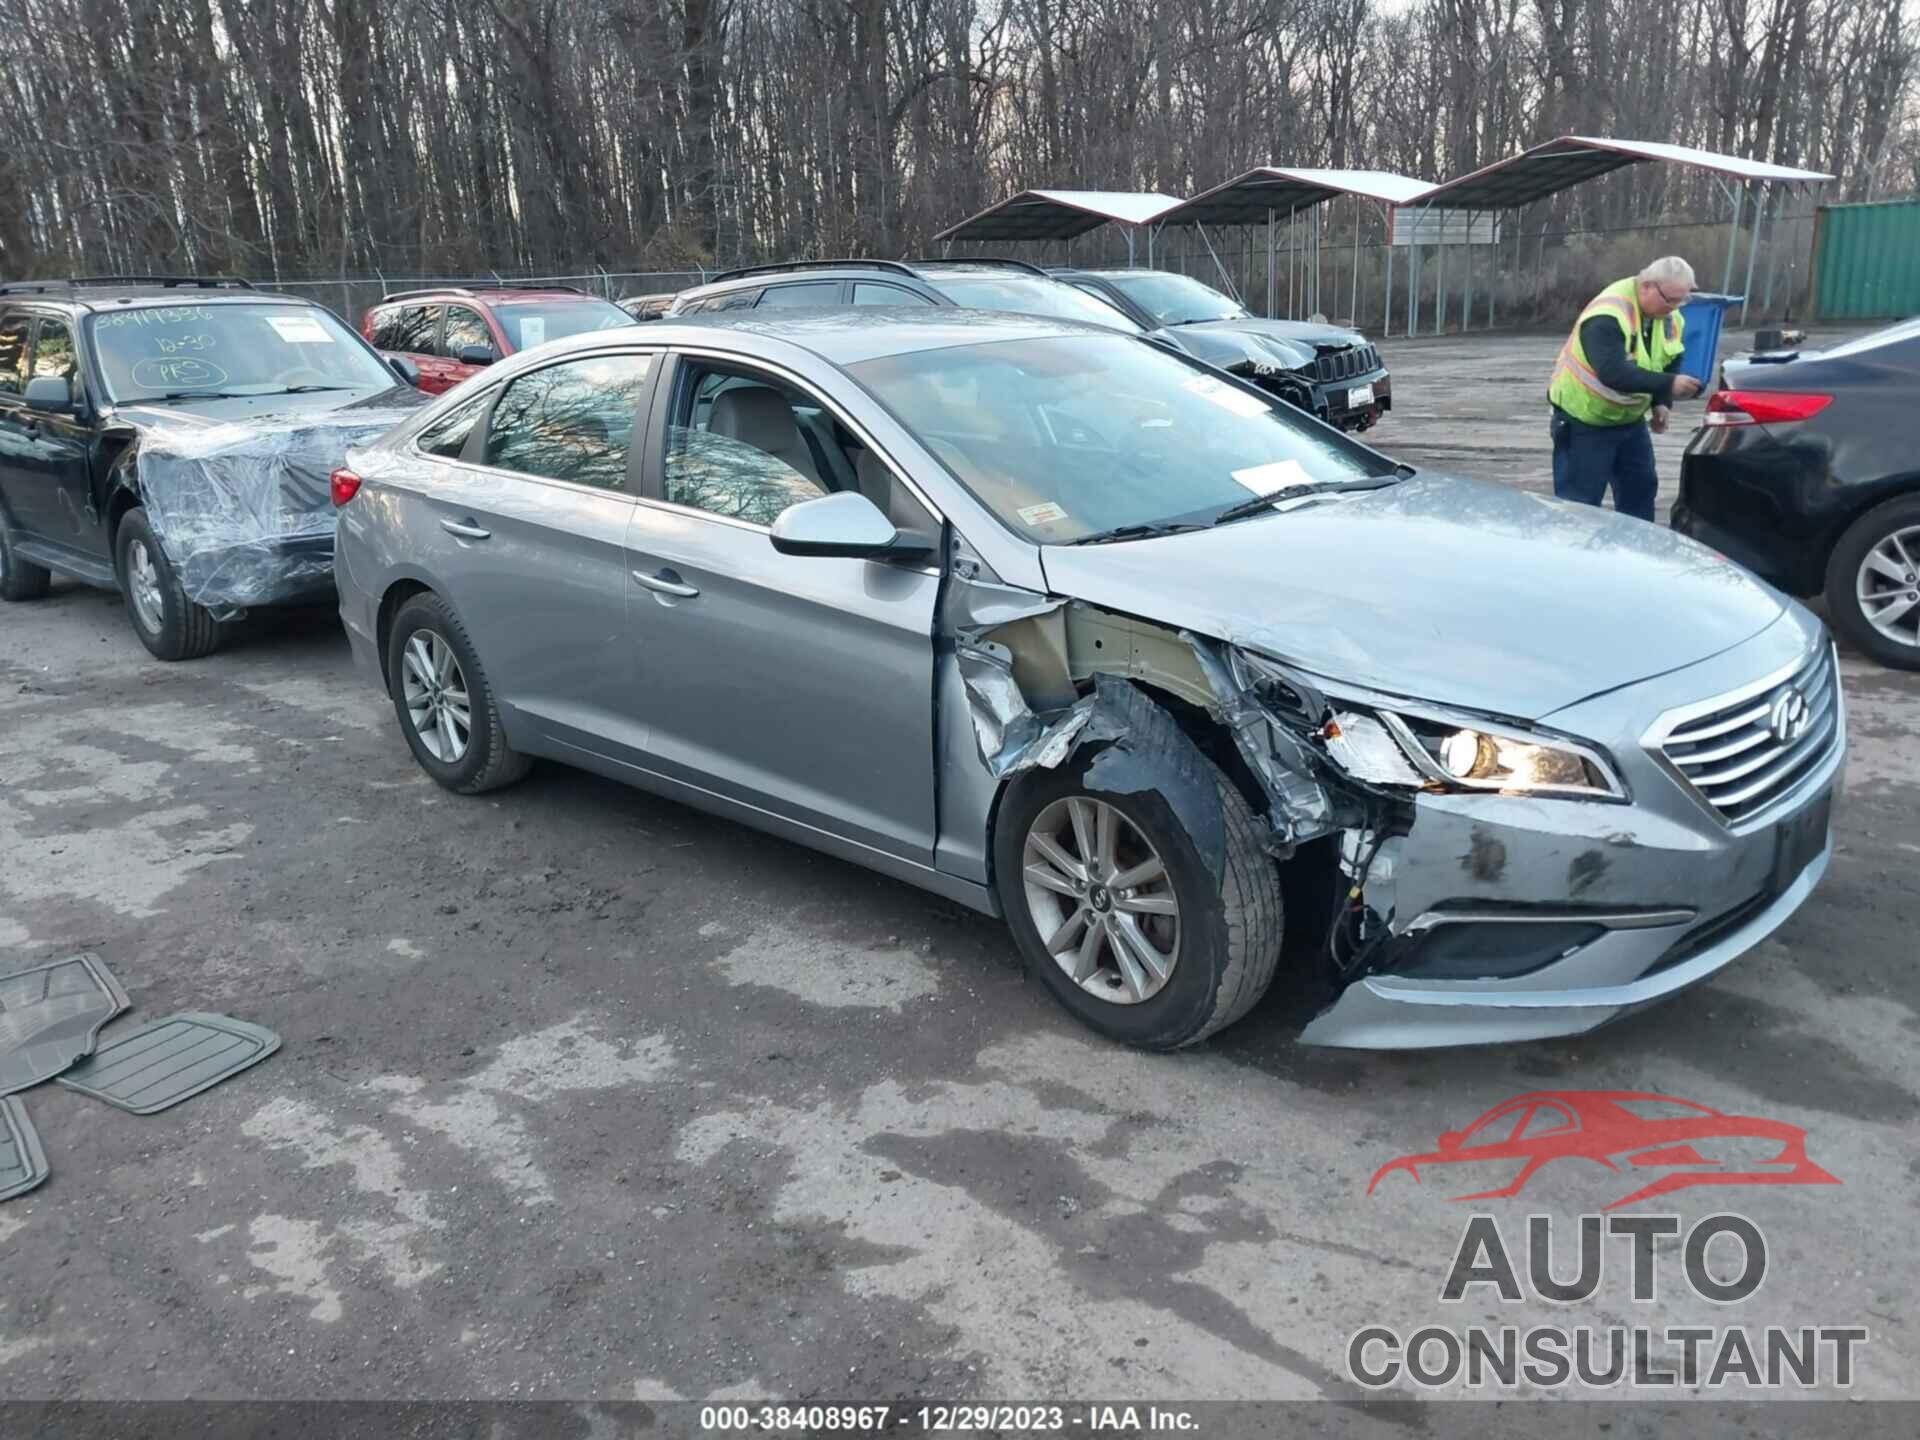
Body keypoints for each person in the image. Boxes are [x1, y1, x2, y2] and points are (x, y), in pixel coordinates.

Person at [1547, 256, 1706, 522]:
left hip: (1629, 422)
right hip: (1584, 421)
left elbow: (1671, 356)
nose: (1675, 307)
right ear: (1647, 286)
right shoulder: (1607, 315)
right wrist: (1669, 384)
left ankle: (1635, 558)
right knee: (1579, 508)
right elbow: (1612, 372)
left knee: (1640, 493)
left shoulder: (1669, 315)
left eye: (1682, 300)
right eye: (1671, 300)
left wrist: (1661, 401)